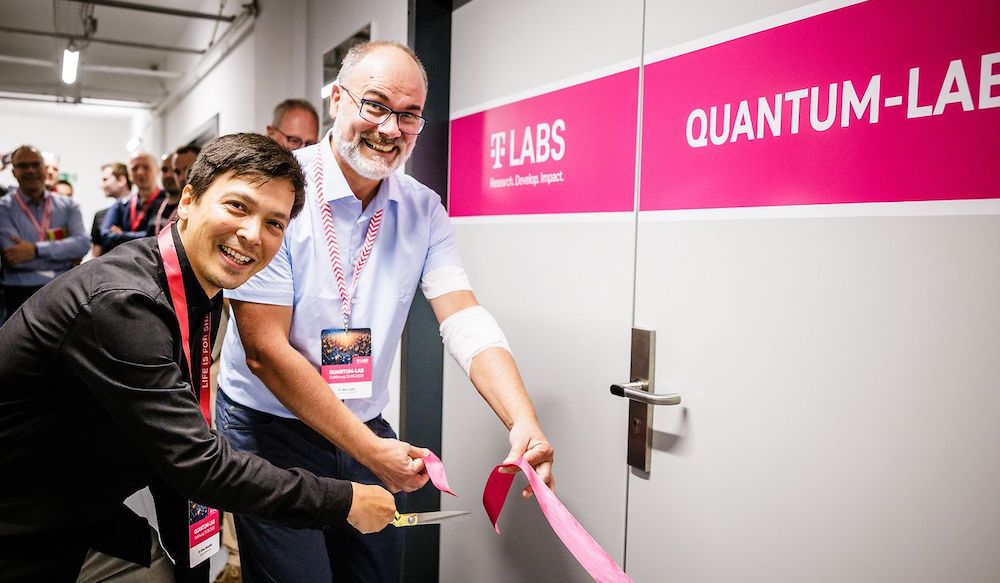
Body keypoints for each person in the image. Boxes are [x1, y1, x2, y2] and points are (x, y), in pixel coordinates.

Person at [219, 40, 555, 582]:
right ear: (337, 100)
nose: (390, 128)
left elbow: (463, 316)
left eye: (409, 116)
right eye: (374, 105)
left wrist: (523, 419)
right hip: (270, 426)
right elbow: (265, 352)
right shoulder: (277, 191)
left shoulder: (423, 208)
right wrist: (372, 452)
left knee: (374, 574)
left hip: (363, 424)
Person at [0, 133, 397, 582]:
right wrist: (342, 501)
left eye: (274, 223)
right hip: (22, 522)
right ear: (187, 200)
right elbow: (196, 463)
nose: (252, 235)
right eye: (238, 207)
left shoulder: (197, 293)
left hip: (80, 505)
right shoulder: (124, 303)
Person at [0, 145, 89, 315]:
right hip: (19, 294)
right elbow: (13, 256)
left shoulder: (68, 206)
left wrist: (35, 250)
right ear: (14, 172)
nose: (30, 170)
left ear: (44, 169)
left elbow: (82, 244)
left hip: (63, 289)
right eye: (23, 166)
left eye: (35, 164)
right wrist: (64, 256)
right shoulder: (3, 209)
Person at [100, 151, 165, 252]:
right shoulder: (121, 206)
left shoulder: (167, 203)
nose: (140, 172)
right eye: (135, 168)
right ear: (129, 175)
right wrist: (144, 235)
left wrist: (122, 234)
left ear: (157, 171)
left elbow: (159, 237)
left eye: (146, 167)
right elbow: (106, 235)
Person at [150, 146, 201, 236]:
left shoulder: (205, 208)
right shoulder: (158, 204)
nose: (181, 177)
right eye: (177, 172)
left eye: (188, 170)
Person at [91, 162, 132, 258]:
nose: (102, 185)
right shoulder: (100, 216)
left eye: (105, 180)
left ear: (121, 180)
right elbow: (95, 254)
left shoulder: (141, 211)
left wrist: (123, 235)